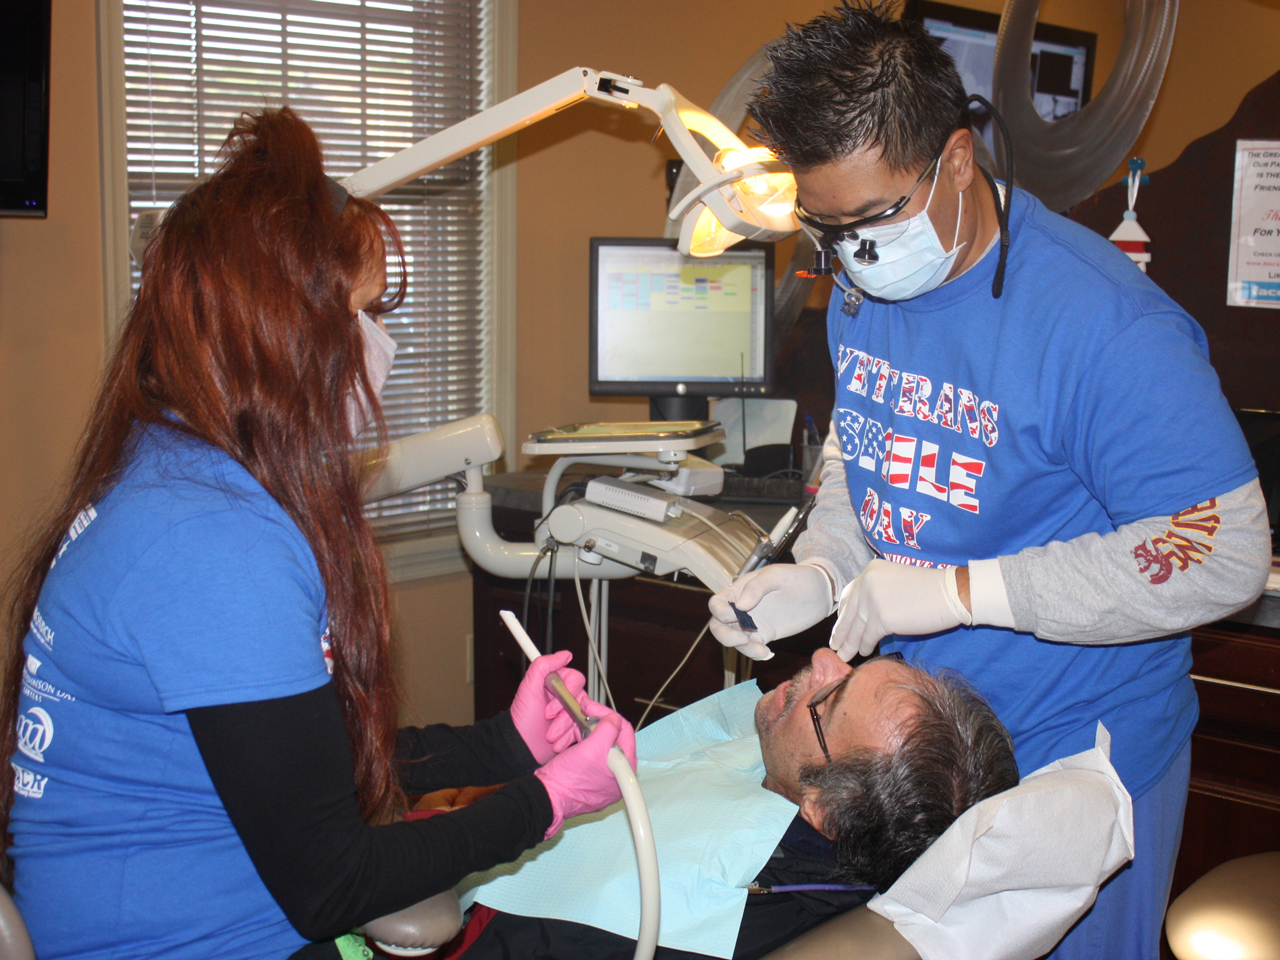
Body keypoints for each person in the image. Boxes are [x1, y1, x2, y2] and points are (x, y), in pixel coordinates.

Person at [0, 106, 635, 960]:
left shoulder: (172, 467)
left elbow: (292, 770)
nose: (382, 348)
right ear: (282, 335)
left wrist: (503, 746)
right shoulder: (213, 543)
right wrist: (548, 800)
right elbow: (332, 881)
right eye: (362, 315)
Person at [706, 5, 1272, 959]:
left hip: (1074, 755)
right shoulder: (865, 280)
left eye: (871, 219)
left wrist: (961, 592)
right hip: (922, 753)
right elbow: (864, 443)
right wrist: (827, 564)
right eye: (826, 227)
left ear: (958, 161)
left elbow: (1226, 557)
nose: (850, 255)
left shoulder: (1106, 330)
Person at [457, 649, 1019, 960]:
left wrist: (519, 788)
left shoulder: (672, 916)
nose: (824, 657)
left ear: (822, 806)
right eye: (857, 663)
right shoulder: (807, 800)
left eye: (831, 696)